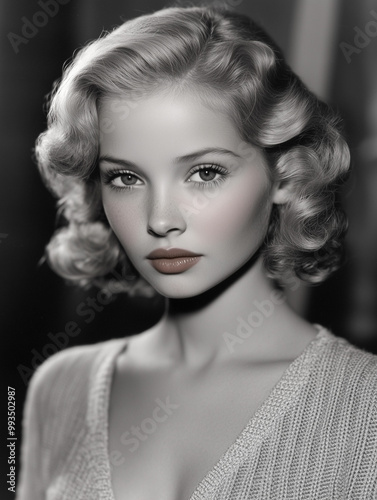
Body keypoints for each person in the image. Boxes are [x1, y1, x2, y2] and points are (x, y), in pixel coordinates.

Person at [16, 4, 377, 500]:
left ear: (284, 173)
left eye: (205, 172)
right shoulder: (58, 388)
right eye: (125, 177)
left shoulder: (365, 409)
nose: (161, 219)